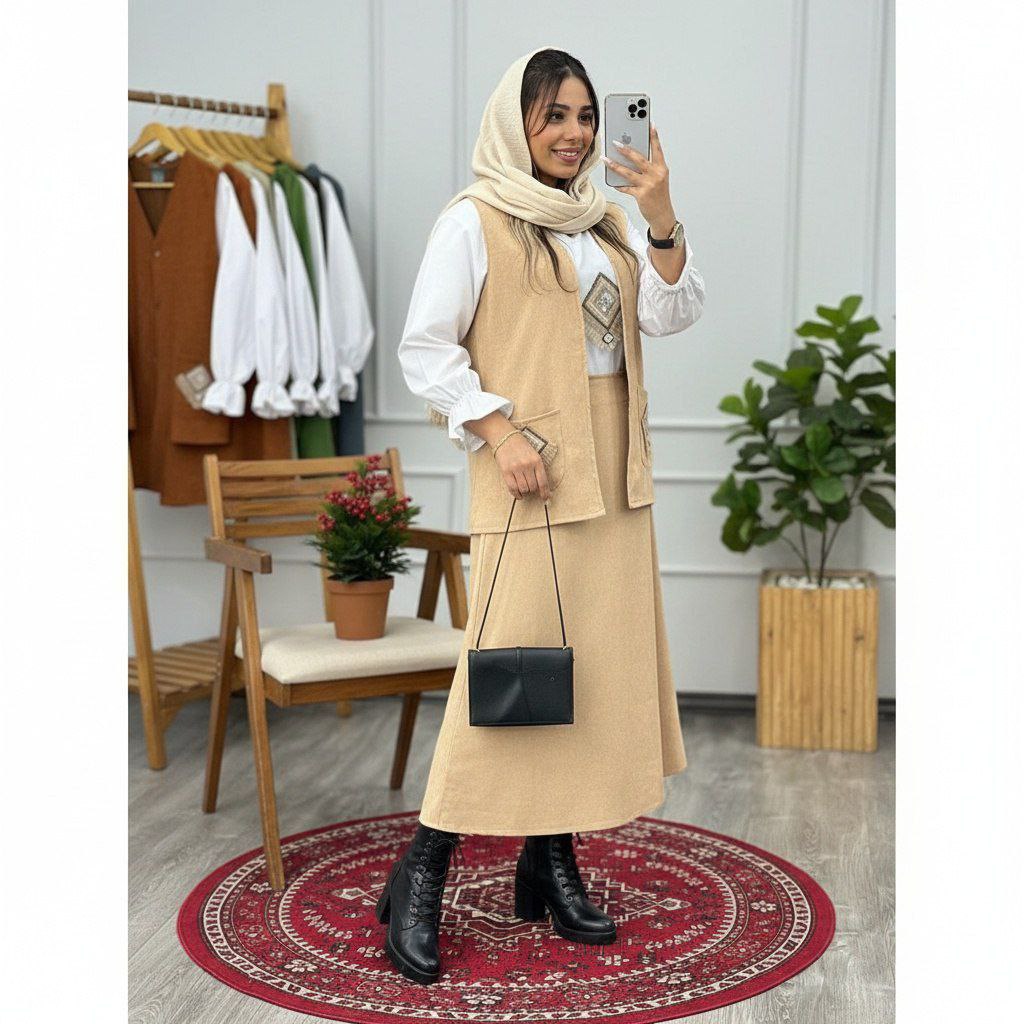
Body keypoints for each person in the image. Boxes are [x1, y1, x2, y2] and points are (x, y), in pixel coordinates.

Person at [377, 45, 706, 985]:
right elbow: (425, 347)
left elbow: (671, 315)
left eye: (586, 116)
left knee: (582, 676)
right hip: (531, 471)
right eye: (553, 114)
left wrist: (659, 213)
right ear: (514, 122)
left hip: (616, 472)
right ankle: (423, 869)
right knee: (505, 676)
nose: (575, 133)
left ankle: (548, 859)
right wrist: (496, 429)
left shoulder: (609, 221)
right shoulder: (474, 219)